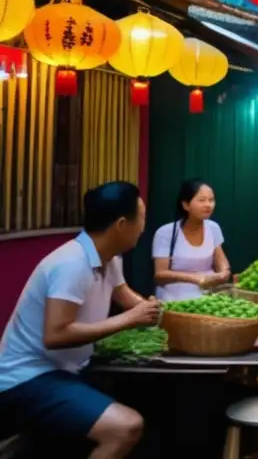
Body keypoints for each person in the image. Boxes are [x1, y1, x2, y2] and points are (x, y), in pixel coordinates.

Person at [0, 182, 160, 458]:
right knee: (126, 427)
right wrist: (130, 319)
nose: (144, 226)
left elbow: (123, 295)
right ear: (122, 224)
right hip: (27, 377)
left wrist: (155, 310)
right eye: (142, 218)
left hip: (67, 370)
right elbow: (56, 335)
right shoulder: (71, 263)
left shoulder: (110, 257)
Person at [152, 179, 230, 301]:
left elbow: (221, 260)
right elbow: (160, 274)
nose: (208, 205)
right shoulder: (165, 233)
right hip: (174, 298)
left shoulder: (213, 228)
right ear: (186, 205)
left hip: (208, 295)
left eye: (211, 200)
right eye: (202, 200)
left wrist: (224, 272)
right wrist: (196, 278)